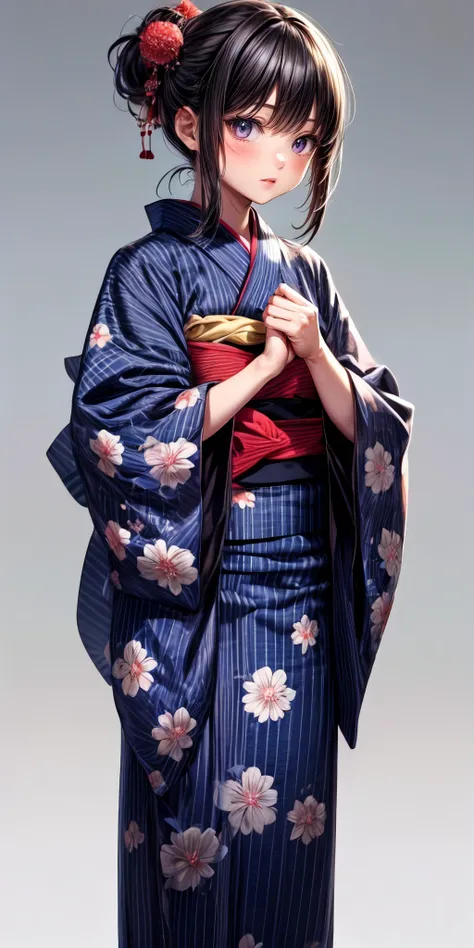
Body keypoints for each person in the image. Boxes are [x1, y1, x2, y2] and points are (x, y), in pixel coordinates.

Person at [46, 2, 414, 946]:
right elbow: (120, 428)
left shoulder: (308, 275)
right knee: (189, 832)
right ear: (186, 124)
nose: (274, 155)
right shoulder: (148, 271)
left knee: (291, 826)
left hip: (299, 588)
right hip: (199, 583)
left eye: (299, 135)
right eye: (248, 125)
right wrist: (261, 369)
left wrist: (319, 362)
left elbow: (377, 420)